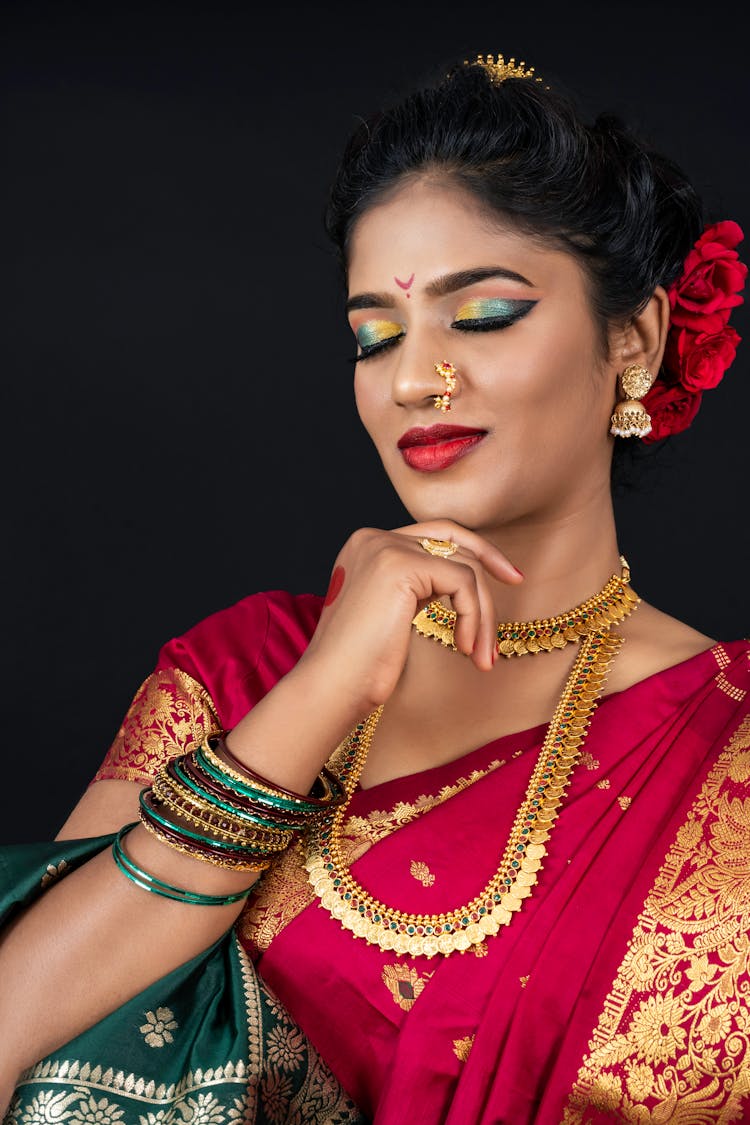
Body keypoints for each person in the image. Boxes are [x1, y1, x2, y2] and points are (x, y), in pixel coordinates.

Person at [1, 53, 748, 1125]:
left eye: (482, 315)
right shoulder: (245, 672)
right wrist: (319, 694)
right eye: (375, 334)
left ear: (633, 338)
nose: (412, 378)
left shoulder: (724, 750)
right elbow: (11, 1034)